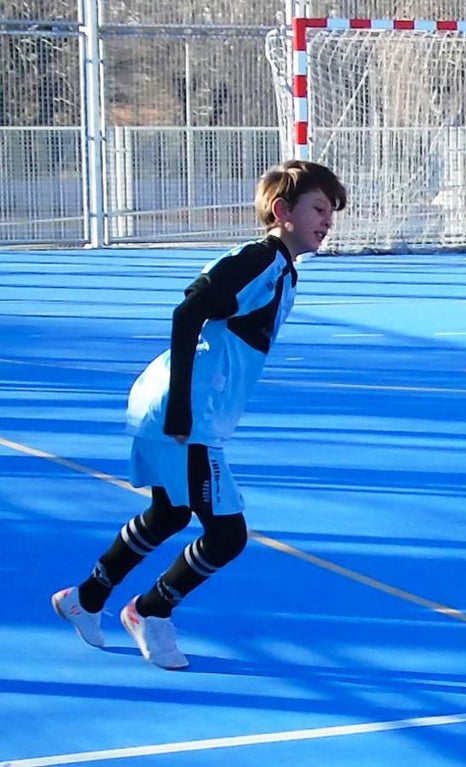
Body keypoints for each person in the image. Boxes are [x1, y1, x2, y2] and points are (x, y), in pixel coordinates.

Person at [51, 159, 347, 670]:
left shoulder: (279, 268)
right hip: (185, 411)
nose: (327, 220)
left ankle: (85, 599)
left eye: (332, 212)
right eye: (318, 208)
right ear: (282, 211)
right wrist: (184, 406)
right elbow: (189, 310)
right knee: (227, 535)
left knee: (169, 513)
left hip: (172, 402)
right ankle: (151, 611)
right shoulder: (263, 260)